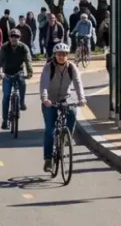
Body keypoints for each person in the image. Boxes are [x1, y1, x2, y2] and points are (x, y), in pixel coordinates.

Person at [39, 43, 86, 173]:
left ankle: (67, 136)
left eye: (64, 54)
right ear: (55, 55)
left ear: (67, 56)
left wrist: (81, 98)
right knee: (50, 129)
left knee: (72, 112)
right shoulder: (49, 68)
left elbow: (78, 83)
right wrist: (45, 98)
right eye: (59, 54)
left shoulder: (72, 68)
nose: (61, 57)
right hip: (50, 100)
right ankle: (48, 159)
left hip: (65, 98)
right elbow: (43, 84)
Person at [0, 31, 33, 130]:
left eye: (16, 36)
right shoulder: (4, 47)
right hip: (7, 73)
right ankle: (5, 121)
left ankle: (21, 102)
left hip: (18, 72)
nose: (14, 38)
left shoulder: (24, 47)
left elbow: (28, 60)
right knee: (6, 96)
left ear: (19, 38)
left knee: (22, 82)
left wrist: (29, 72)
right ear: (9, 38)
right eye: (12, 36)